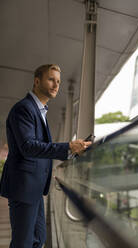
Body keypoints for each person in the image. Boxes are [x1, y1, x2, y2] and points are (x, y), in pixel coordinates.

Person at [0, 64, 91, 248]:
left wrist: (72, 151)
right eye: (51, 79)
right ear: (36, 81)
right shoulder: (24, 109)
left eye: (58, 81)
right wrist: (67, 146)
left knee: (38, 239)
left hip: (35, 188)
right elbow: (28, 147)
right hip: (24, 187)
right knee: (23, 243)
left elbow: (42, 149)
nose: (56, 85)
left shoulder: (39, 111)